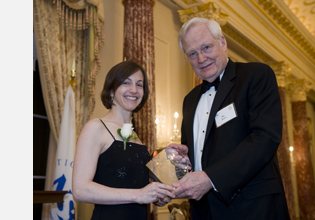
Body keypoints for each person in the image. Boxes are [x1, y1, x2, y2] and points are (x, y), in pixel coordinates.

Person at [171, 17, 290, 220]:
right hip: (204, 211)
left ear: (223, 42)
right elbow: (201, 155)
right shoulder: (189, 100)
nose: (201, 59)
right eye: (192, 54)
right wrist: (181, 158)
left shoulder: (256, 76)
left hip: (253, 208)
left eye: (206, 47)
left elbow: (264, 138)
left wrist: (210, 178)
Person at [72, 61, 175, 220]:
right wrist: (138, 195)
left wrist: (159, 196)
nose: (134, 90)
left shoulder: (137, 137)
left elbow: (139, 188)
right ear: (112, 90)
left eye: (139, 85)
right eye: (126, 83)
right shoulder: (96, 128)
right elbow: (80, 190)